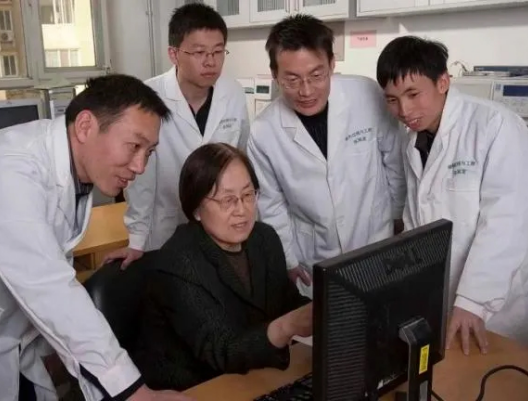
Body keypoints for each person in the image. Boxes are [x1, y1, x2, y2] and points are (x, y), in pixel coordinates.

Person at [0, 74, 193, 401]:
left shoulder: (72, 173)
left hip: (8, 341)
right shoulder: (9, 172)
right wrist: (134, 393)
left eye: (149, 152)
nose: (140, 166)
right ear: (86, 126)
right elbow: (50, 287)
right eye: (134, 146)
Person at [376, 35, 528, 353]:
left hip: (501, 297)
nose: (404, 110)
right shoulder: (413, 139)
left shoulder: (496, 126)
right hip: (446, 291)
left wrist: (473, 300)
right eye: (392, 99)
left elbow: (508, 222)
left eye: (413, 94)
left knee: (500, 371)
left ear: (443, 82)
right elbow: (417, 218)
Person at [247, 15, 406, 299]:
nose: (306, 90)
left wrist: (397, 217)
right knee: (325, 321)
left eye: (316, 75)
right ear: (275, 75)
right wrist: (288, 259)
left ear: (332, 64)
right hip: (315, 256)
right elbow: (271, 203)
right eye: (292, 79)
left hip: (376, 241)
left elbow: (394, 160)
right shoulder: (264, 131)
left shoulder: (365, 94)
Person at [132, 143, 313, 391]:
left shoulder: (264, 238)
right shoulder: (177, 264)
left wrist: (325, 309)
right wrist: (288, 325)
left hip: (249, 375)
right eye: (228, 200)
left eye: (248, 195)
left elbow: (287, 301)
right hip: (195, 387)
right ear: (196, 209)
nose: (242, 210)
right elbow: (223, 349)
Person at [104, 3, 249, 268]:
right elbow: (141, 180)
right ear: (174, 54)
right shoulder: (148, 98)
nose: (211, 62)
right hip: (165, 230)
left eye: (218, 51)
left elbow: (240, 157)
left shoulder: (233, 93)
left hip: (220, 227)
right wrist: (137, 240)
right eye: (199, 52)